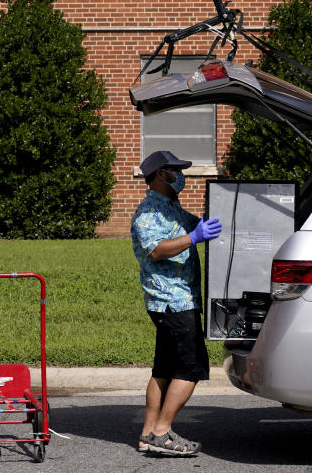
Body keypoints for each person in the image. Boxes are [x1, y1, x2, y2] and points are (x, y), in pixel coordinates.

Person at [130, 150, 222, 457]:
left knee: (164, 370)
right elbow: (157, 250)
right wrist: (194, 238)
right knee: (190, 368)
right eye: (175, 170)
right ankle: (162, 432)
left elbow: (197, 224)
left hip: (178, 300)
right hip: (173, 302)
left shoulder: (171, 208)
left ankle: (146, 434)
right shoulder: (148, 213)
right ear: (160, 175)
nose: (180, 175)